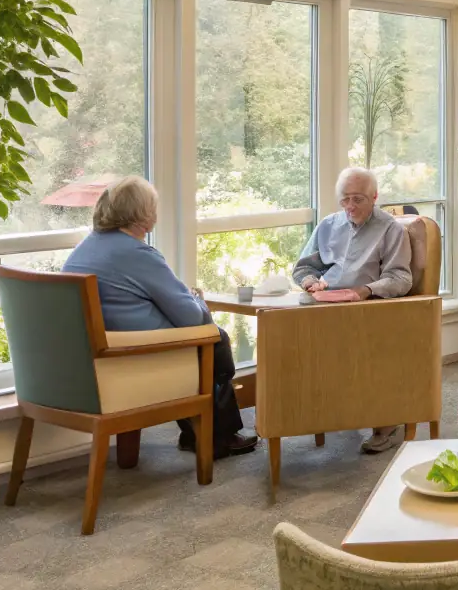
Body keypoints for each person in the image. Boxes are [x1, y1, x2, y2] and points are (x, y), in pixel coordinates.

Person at [62, 177, 258, 459]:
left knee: (206, 343)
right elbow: (192, 318)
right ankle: (217, 438)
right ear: (143, 215)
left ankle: (199, 434)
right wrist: (197, 298)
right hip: (135, 359)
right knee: (214, 338)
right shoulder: (138, 254)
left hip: (93, 364)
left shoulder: (84, 250)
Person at [292, 167, 413, 454]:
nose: (350, 207)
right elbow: (304, 267)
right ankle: (303, 415)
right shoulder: (328, 225)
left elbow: (401, 278)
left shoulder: (391, 229)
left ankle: (387, 424)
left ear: (374, 197)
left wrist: (367, 290)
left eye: (358, 199)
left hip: (369, 310)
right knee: (287, 338)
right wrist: (309, 282)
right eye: (345, 199)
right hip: (326, 306)